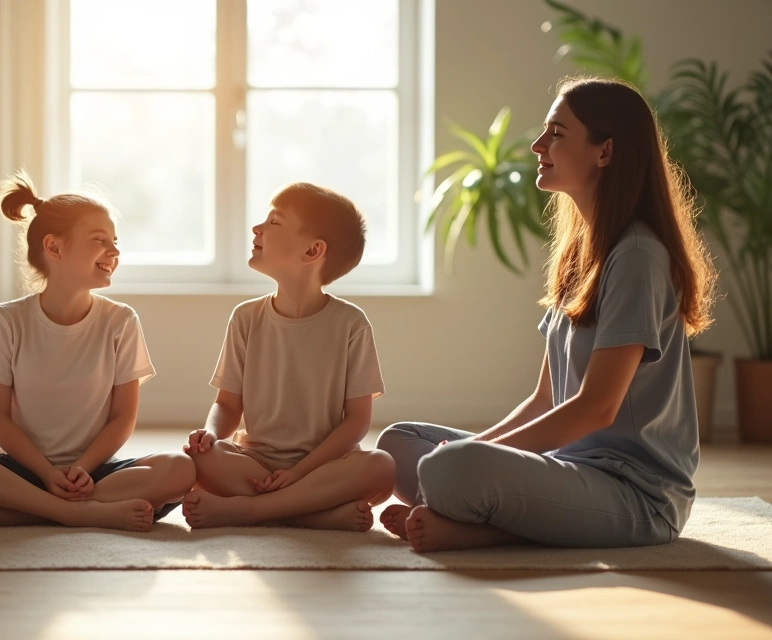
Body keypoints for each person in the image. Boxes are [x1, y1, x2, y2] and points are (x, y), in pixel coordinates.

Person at [376, 77, 717, 552]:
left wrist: (473, 456)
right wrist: (470, 449)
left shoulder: (637, 255)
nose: (538, 145)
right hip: (567, 468)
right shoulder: (583, 253)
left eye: (557, 133)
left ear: (605, 152)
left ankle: (488, 528)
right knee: (399, 444)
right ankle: (485, 512)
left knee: (446, 469)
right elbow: (545, 397)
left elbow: (597, 407)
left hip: (636, 496)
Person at [0, 172, 195, 532]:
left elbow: (123, 417)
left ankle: (23, 512)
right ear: (54, 247)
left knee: (182, 468)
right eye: (99, 240)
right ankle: (74, 513)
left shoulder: (121, 321)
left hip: (94, 473)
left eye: (115, 241)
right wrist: (46, 473)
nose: (114, 251)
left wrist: (82, 469)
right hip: (23, 470)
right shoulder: (5, 320)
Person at [181, 182, 396, 530]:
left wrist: (299, 472)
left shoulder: (351, 324)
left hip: (322, 468)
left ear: (312, 250)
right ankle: (316, 515)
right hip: (253, 461)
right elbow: (227, 405)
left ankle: (250, 512)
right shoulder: (246, 318)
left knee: (381, 466)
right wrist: (210, 433)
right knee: (200, 459)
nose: (257, 228)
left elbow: (357, 422)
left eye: (274, 222)